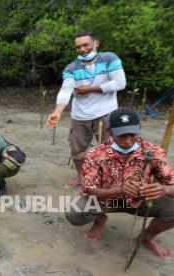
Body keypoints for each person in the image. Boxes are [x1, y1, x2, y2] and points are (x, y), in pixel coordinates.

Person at [65, 108, 174, 259]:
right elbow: (89, 189)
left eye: (133, 135)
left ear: (139, 131)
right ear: (110, 132)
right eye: (122, 135)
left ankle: (146, 237)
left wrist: (165, 189)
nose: (128, 141)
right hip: (106, 199)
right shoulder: (95, 154)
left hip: (140, 200)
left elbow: (172, 185)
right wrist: (119, 190)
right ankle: (99, 220)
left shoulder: (153, 152)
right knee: (75, 213)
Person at [46, 32, 126, 188]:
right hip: (80, 115)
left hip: (106, 112)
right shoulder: (71, 68)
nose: (82, 49)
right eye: (78, 47)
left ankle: (109, 180)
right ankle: (81, 178)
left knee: (110, 148)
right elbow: (66, 90)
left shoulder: (109, 58)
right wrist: (57, 111)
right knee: (77, 150)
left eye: (86, 45)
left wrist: (92, 89)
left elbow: (120, 83)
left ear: (96, 43)